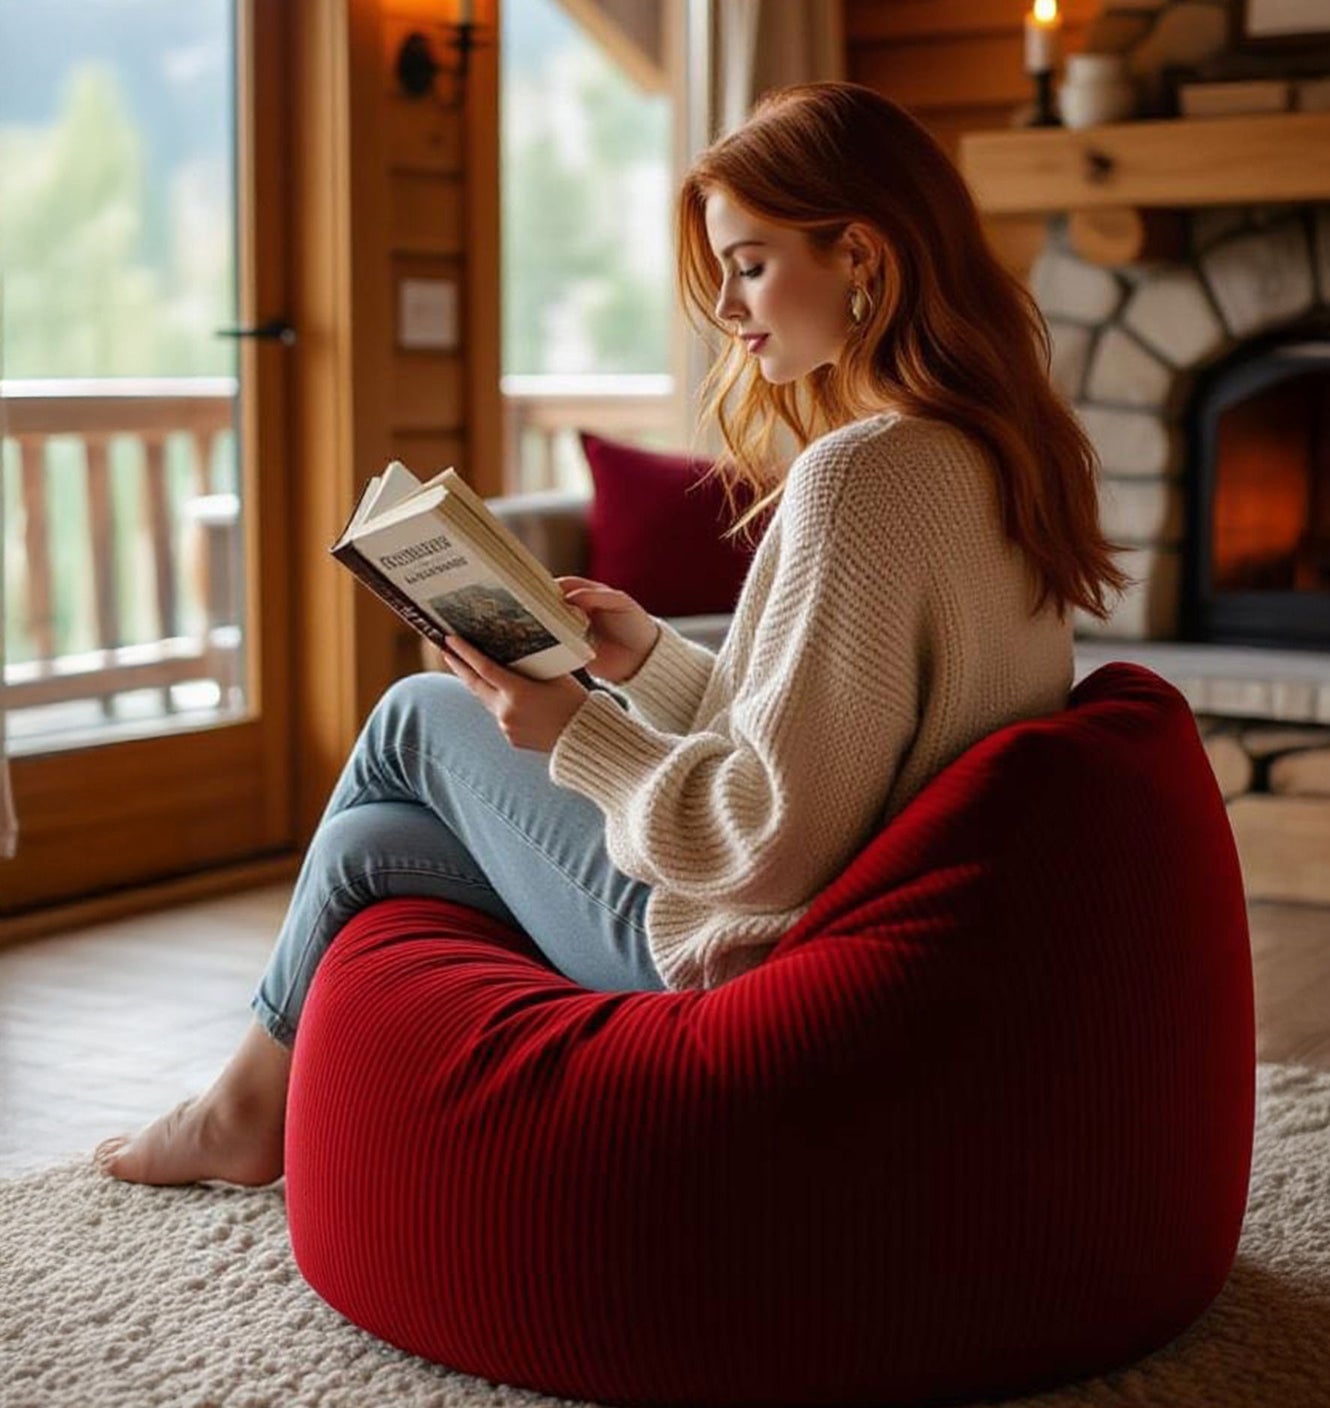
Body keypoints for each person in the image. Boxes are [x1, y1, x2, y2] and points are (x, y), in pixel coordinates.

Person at [95, 80, 1127, 1189]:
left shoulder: (860, 476)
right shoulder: (994, 454)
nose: (730, 309)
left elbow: (767, 843)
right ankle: (244, 1112)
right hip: (858, 926)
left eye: (751, 261)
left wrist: (575, 727)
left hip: (750, 949)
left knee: (411, 718)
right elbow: (838, 748)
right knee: (362, 849)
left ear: (863, 256)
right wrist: (645, 657)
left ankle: (232, 1118)